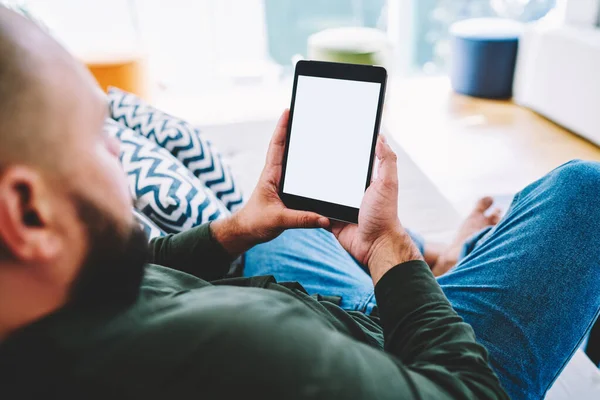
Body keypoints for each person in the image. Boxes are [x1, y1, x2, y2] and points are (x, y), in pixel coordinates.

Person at [0, 7, 596, 400]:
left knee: (294, 218)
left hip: (310, 313)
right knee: (581, 194)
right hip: (414, 358)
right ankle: (441, 264)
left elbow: (152, 267)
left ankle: (444, 263)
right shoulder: (235, 347)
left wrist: (238, 229)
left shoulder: (48, 309)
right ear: (29, 213)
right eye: (97, 136)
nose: (118, 148)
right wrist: (392, 250)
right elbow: (472, 391)